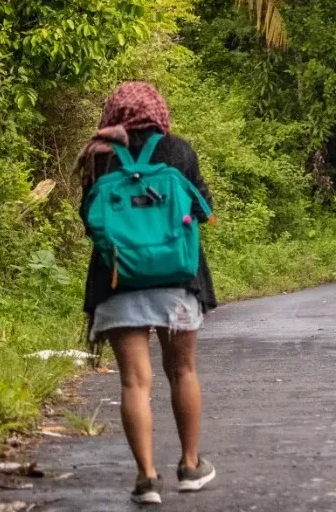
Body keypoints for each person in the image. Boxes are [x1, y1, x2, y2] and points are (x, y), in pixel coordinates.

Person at [77, 82, 217, 504]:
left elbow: (90, 219)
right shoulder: (178, 151)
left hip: (118, 281)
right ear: (158, 112)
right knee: (183, 372)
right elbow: (204, 210)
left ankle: (147, 478)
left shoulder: (98, 156)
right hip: (176, 281)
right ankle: (190, 466)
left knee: (135, 384)